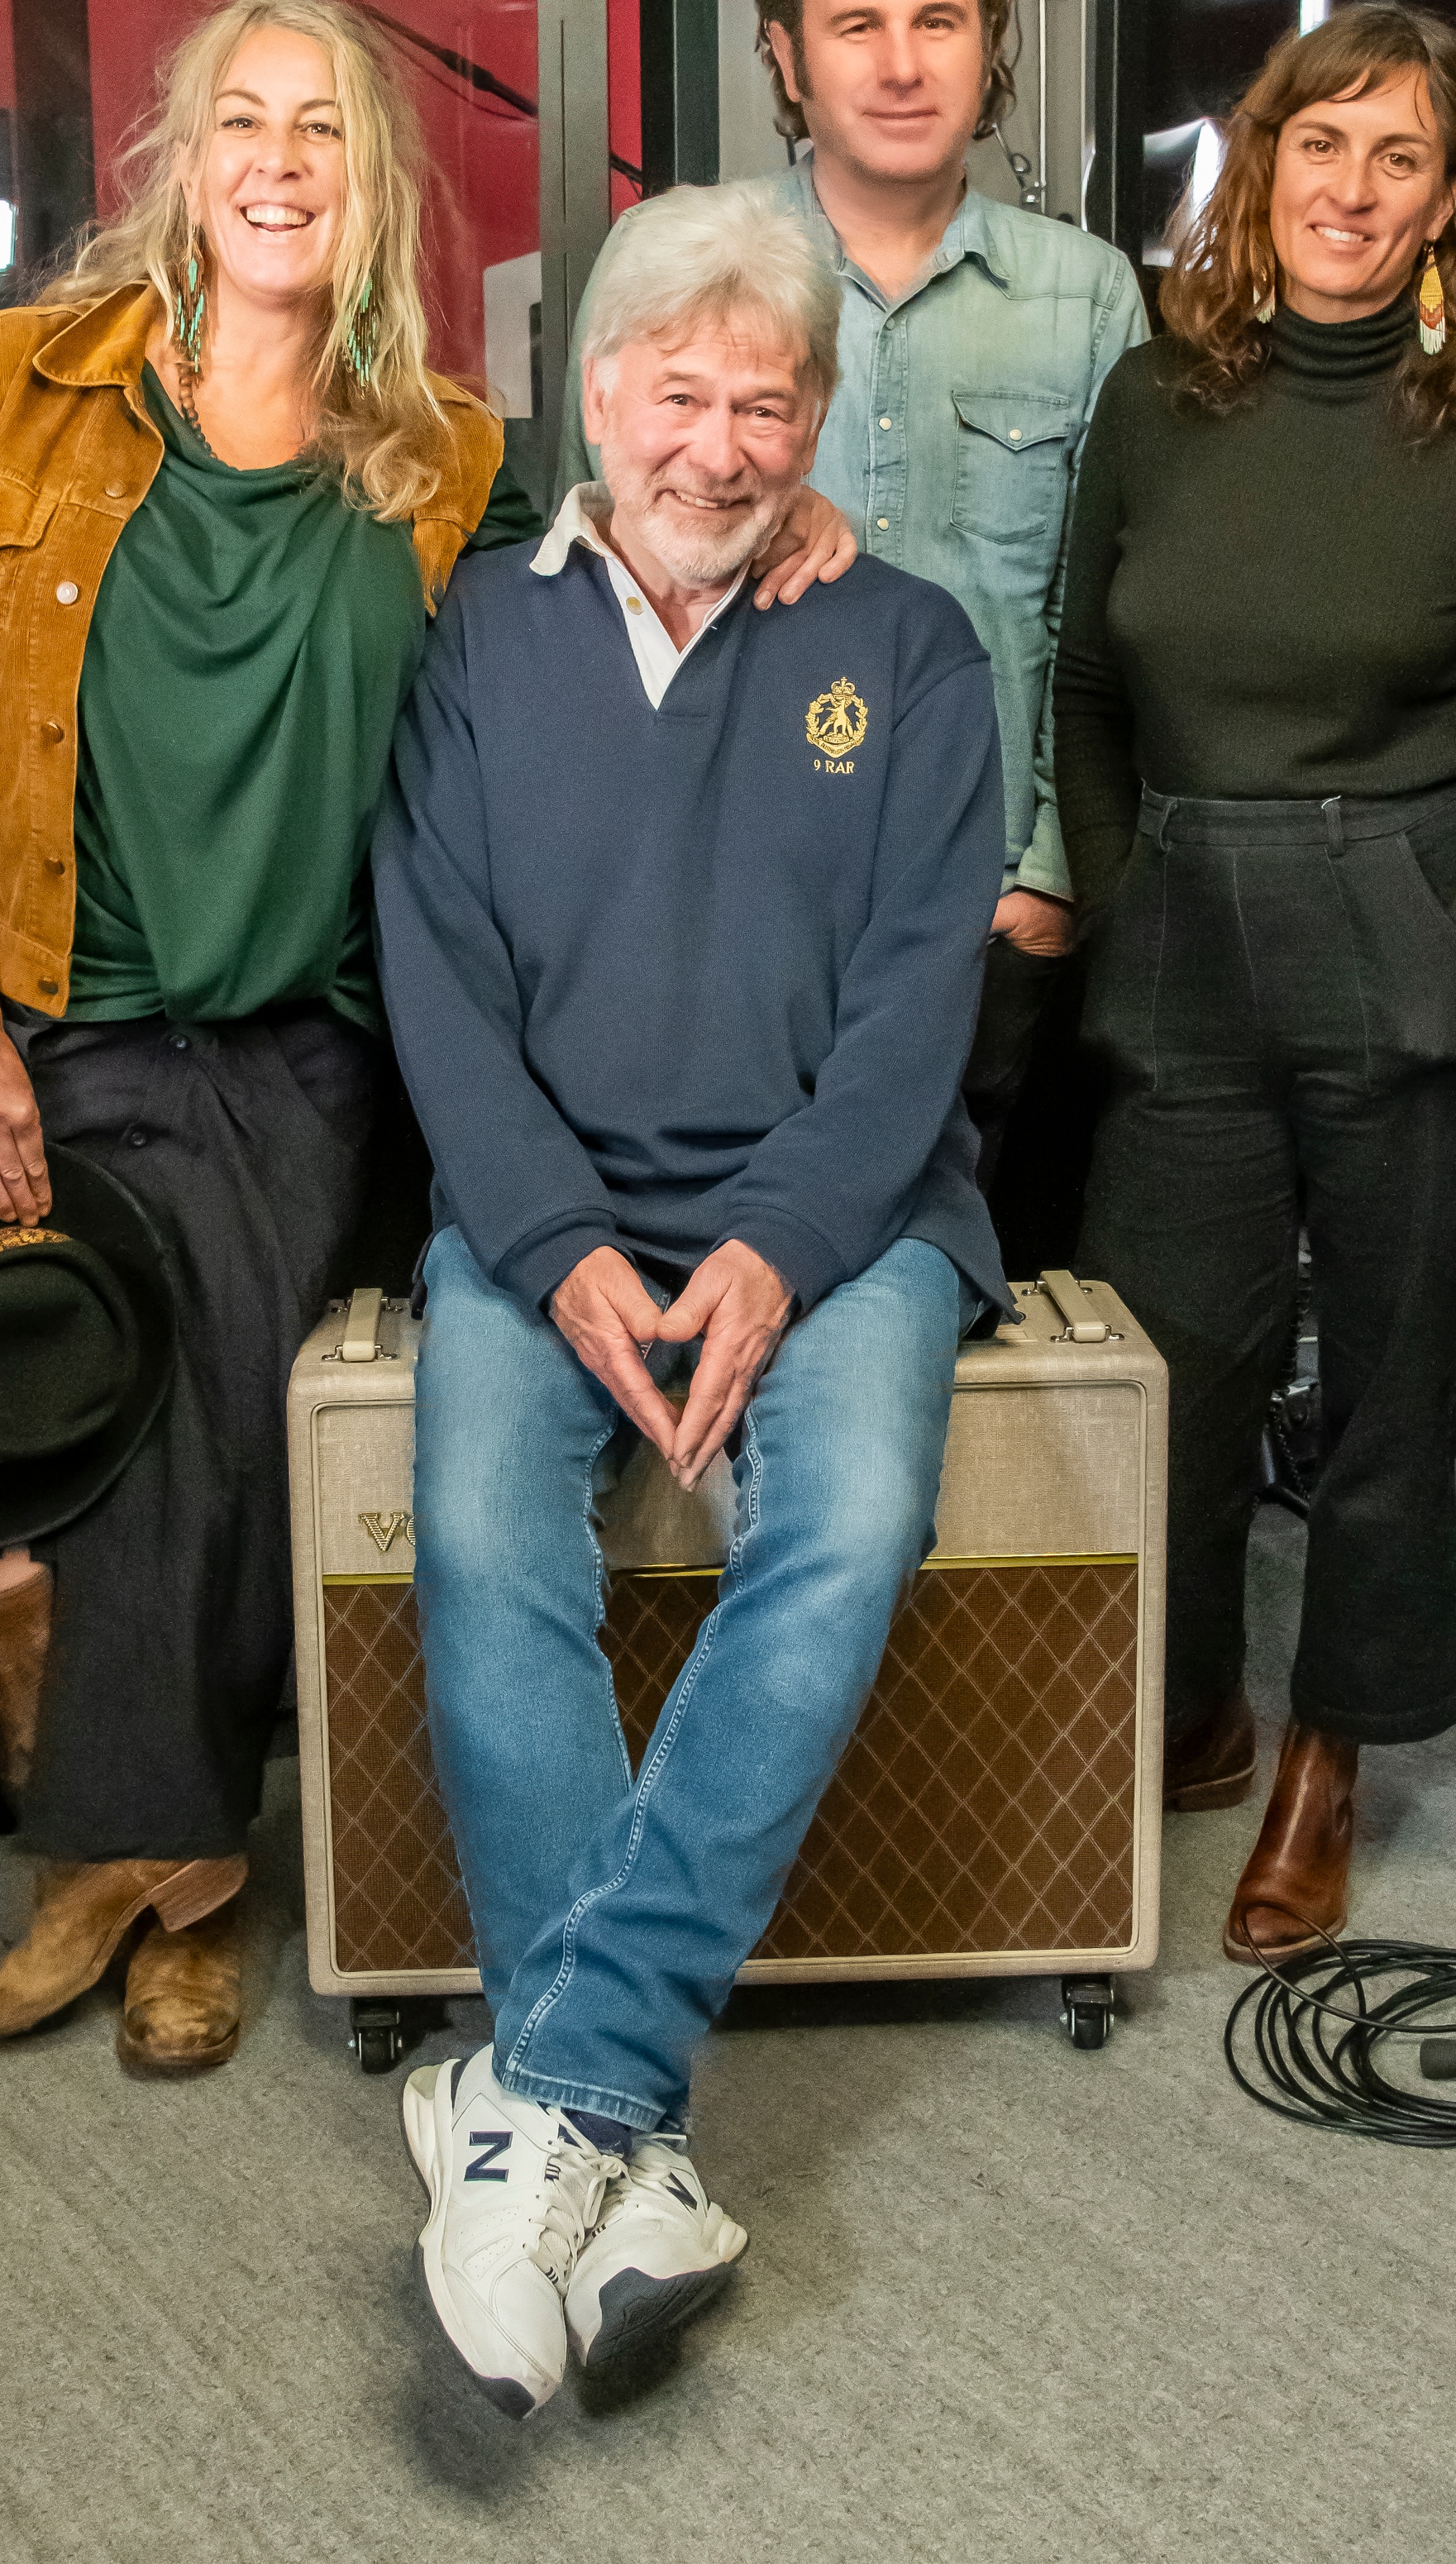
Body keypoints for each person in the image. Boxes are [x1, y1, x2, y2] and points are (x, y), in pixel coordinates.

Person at [0, 0, 844, 2079]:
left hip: (290, 1048)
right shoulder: (12, 386)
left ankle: (171, 1889)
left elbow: (648, 546)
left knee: (208, 1458)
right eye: (246, 119)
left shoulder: (449, 465)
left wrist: (797, 517)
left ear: (371, 181)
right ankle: (110, 1848)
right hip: (32, 1009)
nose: (280, 162)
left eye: (324, 129)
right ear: (182, 153)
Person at [374, 177, 1006, 2415]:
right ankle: (614, 2146)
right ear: (597, 392)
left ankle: (554, 2081)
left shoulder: (910, 645)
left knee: (841, 1528)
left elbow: (925, 995)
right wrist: (551, 1250)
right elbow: (433, 977)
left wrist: (777, 1241)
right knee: (473, 1532)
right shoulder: (473, 634)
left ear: (820, 416)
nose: (720, 445)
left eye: (769, 400)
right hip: (536, 1212)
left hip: (842, 1213)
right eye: (678, 390)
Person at [1053, 1, 1456, 1965]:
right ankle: (1197, 1701)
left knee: (1384, 1394)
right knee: (1179, 1373)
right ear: (1259, 163)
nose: (1351, 190)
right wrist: (1130, 911)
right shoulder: (1153, 404)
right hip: (1185, 941)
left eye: (1400, 158)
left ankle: (1326, 1756)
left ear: (1448, 201)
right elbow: (1082, 690)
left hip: (1402, 910)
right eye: (1321, 146)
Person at [561, 0, 1147, 1180]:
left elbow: (1104, 625)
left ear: (990, 36)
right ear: (785, 52)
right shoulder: (671, 257)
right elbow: (579, 583)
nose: (901, 64)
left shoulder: (1089, 295)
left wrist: (1047, 880)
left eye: (938, 20)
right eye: (857, 25)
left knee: (971, 1323)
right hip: (722, 917)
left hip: (988, 917)